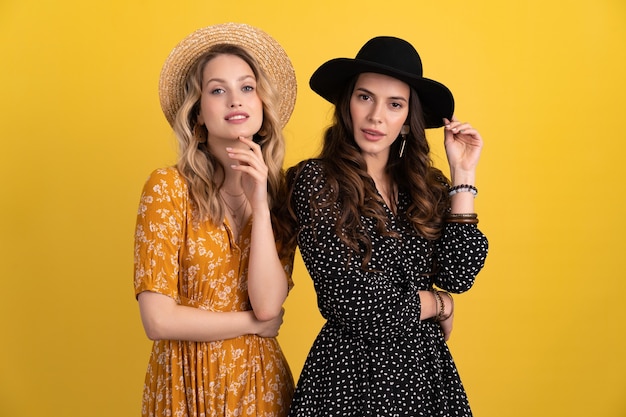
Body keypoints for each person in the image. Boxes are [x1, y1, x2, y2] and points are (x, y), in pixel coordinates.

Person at [284, 36, 489, 416]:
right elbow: (353, 301)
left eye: (395, 104)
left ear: (408, 121)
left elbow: (458, 273)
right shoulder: (316, 181)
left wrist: (463, 173)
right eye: (365, 97)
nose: (376, 116)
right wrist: (437, 303)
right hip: (349, 381)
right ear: (347, 104)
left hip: (427, 381)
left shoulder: (427, 187)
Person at [133, 23, 298, 417]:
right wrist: (253, 326)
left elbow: (268, 304)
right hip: (185, 382)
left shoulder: (280, 199)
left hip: (260, 385)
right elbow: (158, 320)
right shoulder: (168, 188)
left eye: (246, 87)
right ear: (199, 113)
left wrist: (260, 207)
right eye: (217, 90)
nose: (234, 100)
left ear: (262, 104)